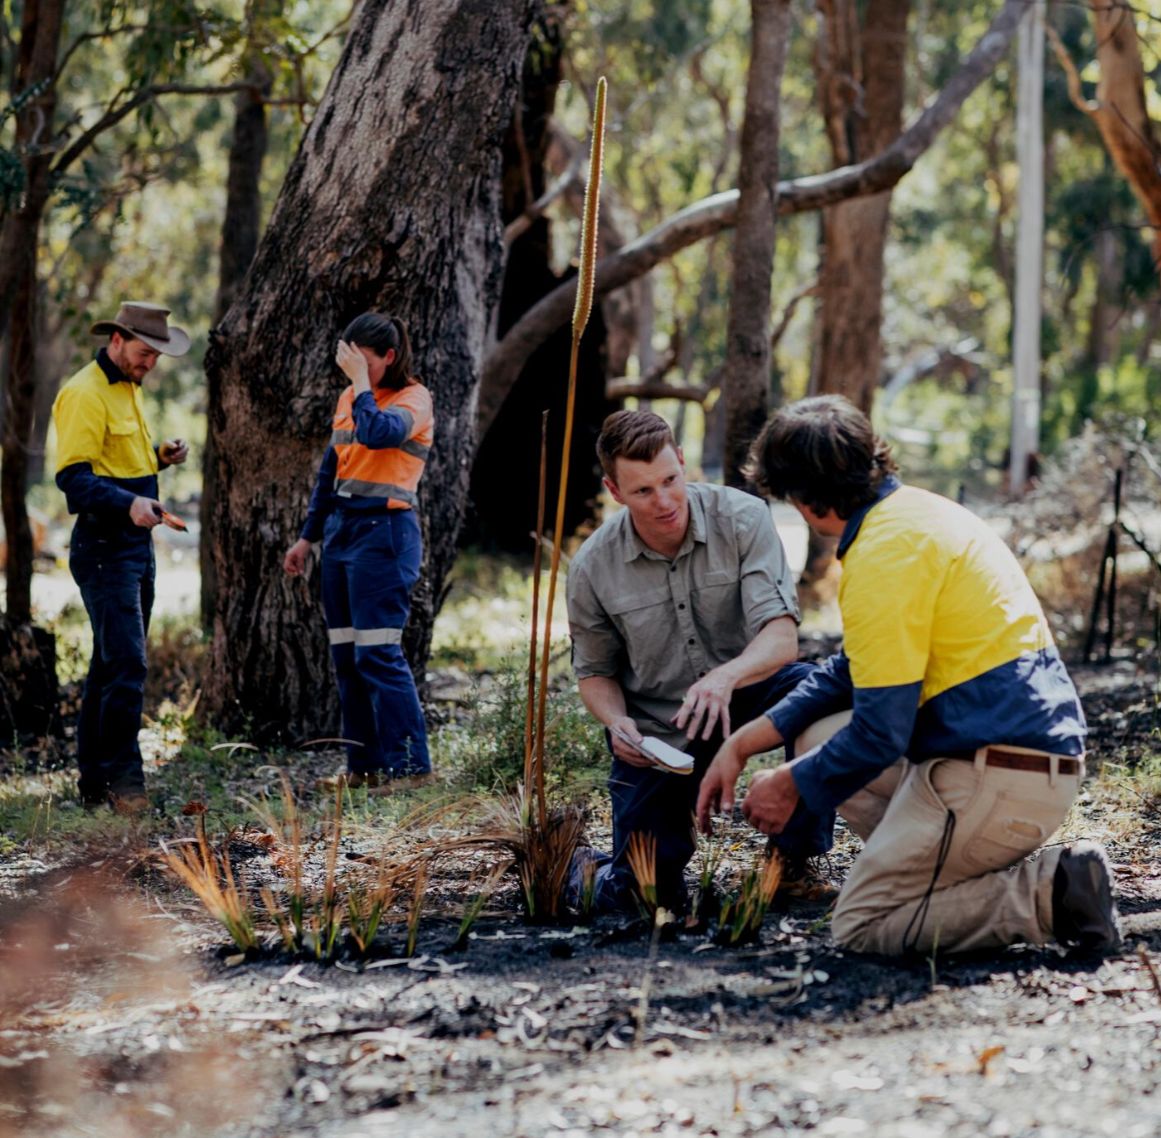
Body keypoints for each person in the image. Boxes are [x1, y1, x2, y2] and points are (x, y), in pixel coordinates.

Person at [697, 395, 1122, 956]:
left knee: (863, 925)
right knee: (818, 733)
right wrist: (744, 743)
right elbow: (852, 672)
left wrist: (791, 783)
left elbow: (880, 734)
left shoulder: (883, 555)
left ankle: (1051, 890)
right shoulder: (915, 514)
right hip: (1020, 765)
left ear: (803, 500)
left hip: (999, 777)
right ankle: (929, 875)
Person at [566, 410, 819, 914]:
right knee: (643, 896)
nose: (663, 502)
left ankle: (793, 860)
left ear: (682, 461)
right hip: (660, 729)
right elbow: (595, 674)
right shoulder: (593, 566)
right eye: (642, 492)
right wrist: (618, 724)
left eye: (670, 480)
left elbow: (781, 638)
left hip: (748, 692)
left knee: (820, 693)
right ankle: (585, 866)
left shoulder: (743, 518)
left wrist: (725, 677)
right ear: (614, 491)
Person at [52, 301, 192, 813]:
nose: (150, 362)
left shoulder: (128, 387)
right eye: (143, 352)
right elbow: (73, 479)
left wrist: (158, 459)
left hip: (136, 546)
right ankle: (125, 783)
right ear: (116, 340)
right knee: (128, 664)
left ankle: (94, 783)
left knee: (109, 666)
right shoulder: (83, 393)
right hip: (104, 548)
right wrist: (129, 503)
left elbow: (116, 462)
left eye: (156, 355)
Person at [284, 313, 433, 790]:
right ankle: (364, 769)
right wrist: (308, 537)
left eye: (362, 362)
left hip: (385, 534)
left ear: (389, 357)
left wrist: (359, 385)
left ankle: (411, 769)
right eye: (349, 362)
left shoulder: (414, 399)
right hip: (342, 533)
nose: (353, 371)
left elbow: (378, 433)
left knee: (378, 653)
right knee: (347, 657)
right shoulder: (350, 398)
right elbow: (332, 472)